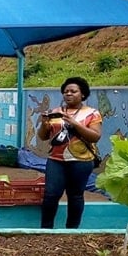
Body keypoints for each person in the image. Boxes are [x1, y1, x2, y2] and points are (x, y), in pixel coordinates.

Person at [37, 76, 102, 229]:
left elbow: (95, 136)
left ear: (83, 94)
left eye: (73, 91)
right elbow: (43, 137)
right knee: (51, 195)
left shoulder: (92, 113)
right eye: (66, 92)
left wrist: (74, 123)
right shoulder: (56, 112)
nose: (68, 94)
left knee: (75, 195)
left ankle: (72, 230)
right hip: (56, 160)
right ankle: (45, 229)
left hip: (81, 161)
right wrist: (45, 125)